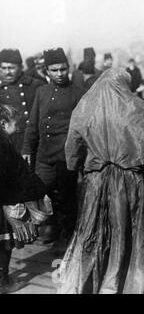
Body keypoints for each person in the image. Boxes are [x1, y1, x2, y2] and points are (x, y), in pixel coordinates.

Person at [58, 68, 144, 294]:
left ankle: (83, 283)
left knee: (91, 230)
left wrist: (74, 166)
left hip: (96, 178)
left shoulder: (85, 106)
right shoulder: (137, 106)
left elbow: (72, 144)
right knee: (129, 231)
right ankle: (125, 284)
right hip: (130, 180)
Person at [22, 48, 84, 246]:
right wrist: (26, 149)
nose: (59, 74)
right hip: (44, 156)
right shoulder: (41, 92)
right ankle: (49, 227)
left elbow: (83, 128)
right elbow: (33, 124)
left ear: (69, 68)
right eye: (54, 70)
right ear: (47, 71)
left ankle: (66, 240)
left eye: (63, 69)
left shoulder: (78, 94)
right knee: (38, 191)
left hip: (66, 157)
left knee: (67, 199)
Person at [0, 104, 51, 294]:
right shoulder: (3, 144)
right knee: (4, 245)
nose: (19, 129)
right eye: (16, 125)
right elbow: (9, 177)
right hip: (4, 201)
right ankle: (3, 282)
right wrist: (32, 192)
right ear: (3, 123)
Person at [0, 49, 44, 152]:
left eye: (11, 68)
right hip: (7, 142)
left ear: (21, 67)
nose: (7, 72)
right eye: (3, 68)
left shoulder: (36, 85)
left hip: (31, 141)